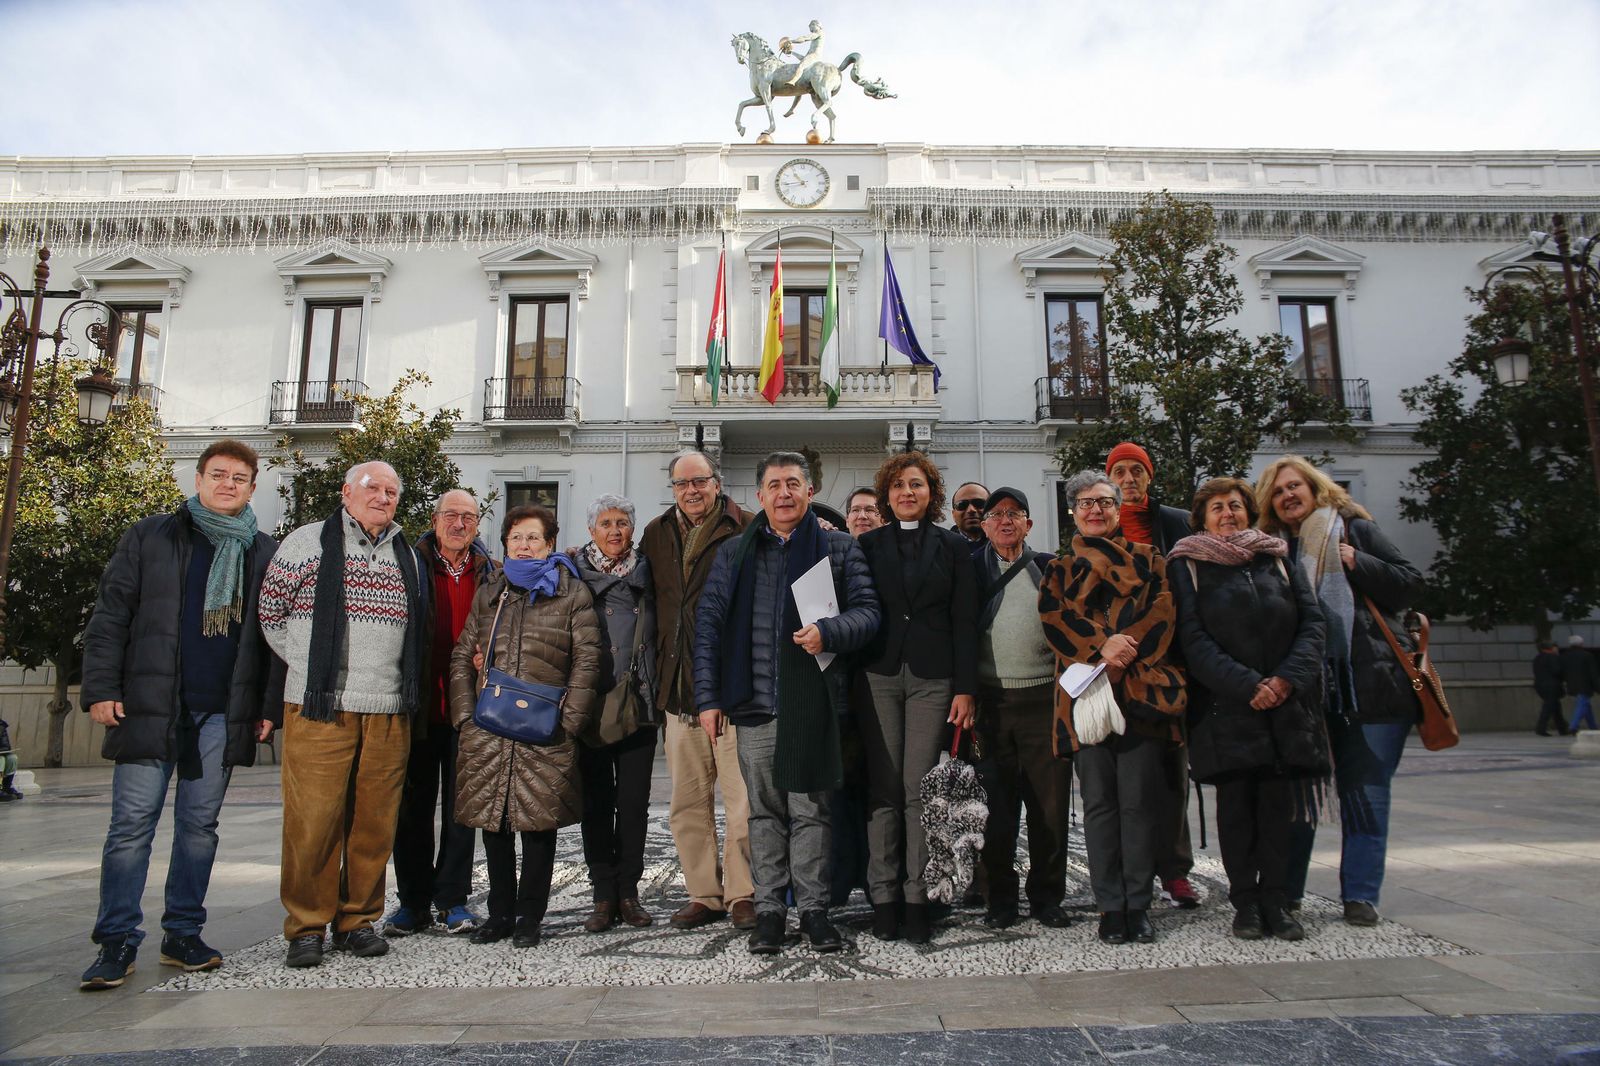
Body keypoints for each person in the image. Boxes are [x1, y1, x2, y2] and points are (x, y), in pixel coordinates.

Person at [77, 440, 282, 990]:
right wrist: (99, 687)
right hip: (149, 706)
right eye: (218, 475)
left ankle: (182, 932)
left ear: (252, 488)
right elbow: (110, 616)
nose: (228, 485)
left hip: (222, 712)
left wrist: (264, 710)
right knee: (130, 828)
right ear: (198, 479)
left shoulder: (263, 551)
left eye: (240, 478)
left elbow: (272, 642)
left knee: (199, 828)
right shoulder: (151, 537)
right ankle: (116, 940)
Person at [693, 451, 881, 955]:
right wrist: (708, 698)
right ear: (760, 496)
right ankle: (771, 910)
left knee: (812, 812)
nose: (784, 493)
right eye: (774, 484)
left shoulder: (839, 549)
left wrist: (829, 632)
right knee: (765, 814)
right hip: (753, 706)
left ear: (810, 491)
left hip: (815, 705)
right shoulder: (734, 553)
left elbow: (868, 613)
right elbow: (708, 628)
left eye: (793, 483)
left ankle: (815, 910)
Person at [260, 460, 427, 969]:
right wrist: (315, 668)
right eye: (372, 488)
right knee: (313, 821)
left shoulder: (409, 554)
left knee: (373, 824)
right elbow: (272, 615)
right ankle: (307, 925)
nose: (382, 497)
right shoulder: (306, 542)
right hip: (322, 705)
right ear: (347, 492)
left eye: (392, 491)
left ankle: (357, 919)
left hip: (388, 707)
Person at [1258, 456, 1427, 925]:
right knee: (1299, 799)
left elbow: (1410, 583)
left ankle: (1360, 895)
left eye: (1295, 486)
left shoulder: (1354, 530)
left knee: (1367, 795)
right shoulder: (1274, 551)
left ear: (1315, 488)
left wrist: (1356, 561)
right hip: (1306, 693)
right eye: (1277, 491)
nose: (1288, 495)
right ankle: (1287, 891)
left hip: (1372, 687)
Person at [1169, 477, 1328, 943]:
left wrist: (1284, 680)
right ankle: (1245, 903)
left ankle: (1277, 900)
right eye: (1217, 507)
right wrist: (1247, 684)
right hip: (1226, 708)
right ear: (1203, 517)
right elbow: (1192, 638)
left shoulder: (1275, 557)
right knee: (1237, 810)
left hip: (1283, 706)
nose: (1228, 514)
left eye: (1235, 506)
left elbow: (1313, 622)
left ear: (1248, 511)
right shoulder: (1189, 563)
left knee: (1278, 809)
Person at [1039, 471, 1187, 946]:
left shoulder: (1150, 559)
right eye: (1085, 503)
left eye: (1104, 502)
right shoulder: (1059, 569)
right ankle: (1110, 906)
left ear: (1119, 509)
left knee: (1138, 803)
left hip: (1138, 692)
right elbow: (1054, 620)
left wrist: (1126, 652)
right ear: (1072, 512)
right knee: (1100, 805)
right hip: (1084, 699)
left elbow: (1164, 611)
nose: (1095, 510)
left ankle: (1138, 903)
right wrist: (1104, 648)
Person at [450, 504, 601, 948]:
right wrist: (464, 714)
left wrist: (569, 722)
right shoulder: (490, 592)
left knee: (539, 825)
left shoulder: (570, 593)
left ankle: (530, 916)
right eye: (516, 537)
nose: (524, 544)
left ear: (549, 544)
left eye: (533, 537)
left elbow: (588, 660)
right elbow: (464, 653)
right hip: (489, 726)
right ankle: (499, 914)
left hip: (545, 729)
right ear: (506, 544)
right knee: (492, 823)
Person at [855, 452, 977, 943]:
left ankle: (917, 897)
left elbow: (965, 621)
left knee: (919, 790)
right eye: (899, 485)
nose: (908, 492)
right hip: (878, 674)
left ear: (931, 494)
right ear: (886, 495)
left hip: (934, 679)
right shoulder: (866, 546)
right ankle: (883, 897)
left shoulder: (954, 548)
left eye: (917, 484)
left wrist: (966, 688)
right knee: (883, 789)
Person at [639, 450, 757, 931]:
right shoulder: (655, 533)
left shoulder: (747, 527)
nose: (691, 491)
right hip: (677, 690)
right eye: (682, 483)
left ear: (717, 483)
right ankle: (704, 893)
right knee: (687, 803)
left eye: (700, 482)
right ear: (672, 488)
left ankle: (744, 893)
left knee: (742, 801)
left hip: (731, 692)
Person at [384, 489, 495, 939]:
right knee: (411, 807)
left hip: (469, 708)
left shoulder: (491, 573)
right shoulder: (409, 564)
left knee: (461, 810)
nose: (460, 524)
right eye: (451, 515)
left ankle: (451, 899)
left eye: (468, 517)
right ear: (435, 519)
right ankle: (411, 902)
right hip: (419, 702)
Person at [972, 487, 1073, 931]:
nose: (1005, 521)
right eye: (996, 515)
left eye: (1015, 514)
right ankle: (1000, 900)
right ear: (985, 525)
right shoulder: (970, 570)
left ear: (1029, 524)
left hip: (1043, 700)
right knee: (997, 809)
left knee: (1049, 806)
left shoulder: (1050, 567)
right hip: (990, 704)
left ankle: (1048, 897)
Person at [1105, 441, 1199, 909]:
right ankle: (1132, 867)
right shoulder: (1103, 525)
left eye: (1135, 470)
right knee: (1128, 783)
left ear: (1149, 476)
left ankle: (1175, 871)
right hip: (1119, 672)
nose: (1127, 478)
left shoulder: (1178, 524)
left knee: (1171, 777)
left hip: (1170, 669)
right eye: (1118, 471)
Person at [572, 494, 661, 932]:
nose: (614, 530)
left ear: (632, 528)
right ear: (591, 531)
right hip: (591, 704)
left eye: (622, 522)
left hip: (638, 702)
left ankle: (629, 891)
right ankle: (602, 894)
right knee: (596, 803)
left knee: (633, 805)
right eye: (605, 523)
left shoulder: (651, 572)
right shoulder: (572, 576)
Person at [1562, 635, 1598, 732]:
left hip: (1572, 684)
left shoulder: (1565, 656)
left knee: (1586, 705)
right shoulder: (1587, 656)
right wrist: (1598, 687)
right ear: (1581, 644)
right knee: (1582, 704)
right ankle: (1574, 725)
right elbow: (1593, 673)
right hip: (1585, 685)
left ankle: (1593, 726)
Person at [1533, 640, 1568, 736]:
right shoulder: (1552, 657)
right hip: (1552, 685)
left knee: (1555, 707)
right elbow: (1557, 671)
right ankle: (1541, 727)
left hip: (1540, 685)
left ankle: (1562, 728)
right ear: (1550, 648)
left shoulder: (1537, 658)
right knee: (1548, 707)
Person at [950, 481, 989, 546]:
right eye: (962, 504)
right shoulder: (940, 548)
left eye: (979, 503)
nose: (971, 510)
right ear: (953, 514)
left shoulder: (1007, 545)